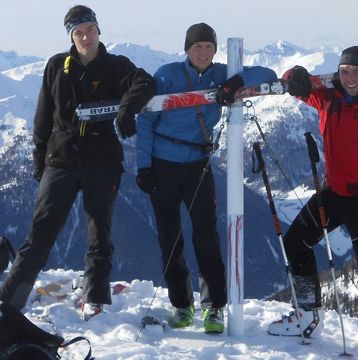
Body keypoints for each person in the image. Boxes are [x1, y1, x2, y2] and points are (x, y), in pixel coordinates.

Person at [0, 5, 155, 319]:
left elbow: (145, 83)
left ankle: (95, 300)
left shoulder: (116, 65)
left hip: (103, 161)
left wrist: (127, 108)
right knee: (40, 234)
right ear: (71, 36)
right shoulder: (57, 66)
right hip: (61, 159)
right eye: (78, 32)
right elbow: (43, 119)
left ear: (99, 30)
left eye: (90, 29)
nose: (85, 36)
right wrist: (40, 165)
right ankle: (8, 302)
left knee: (100, 233)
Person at [267, 46, 358, 349]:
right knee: (296, 241)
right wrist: (295, 75)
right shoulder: (329, 99)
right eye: (344, 71)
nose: (349, 78)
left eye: (356, 72)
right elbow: (296, 86)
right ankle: (307, 315)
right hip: (333, 192)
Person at [135, 22, 276, 332]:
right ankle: (181, 305)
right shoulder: (167, 74)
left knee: (206, 235)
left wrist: (236, 80)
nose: (203, 52)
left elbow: (266, 75)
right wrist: (143, 166)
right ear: (187, 49)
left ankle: (214, 308)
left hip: (198, 163)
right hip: (162, 163)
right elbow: (145, 121)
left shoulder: (220, 73)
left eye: (209, 47)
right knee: (169, 235)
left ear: (215, 50)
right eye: (197, 46)